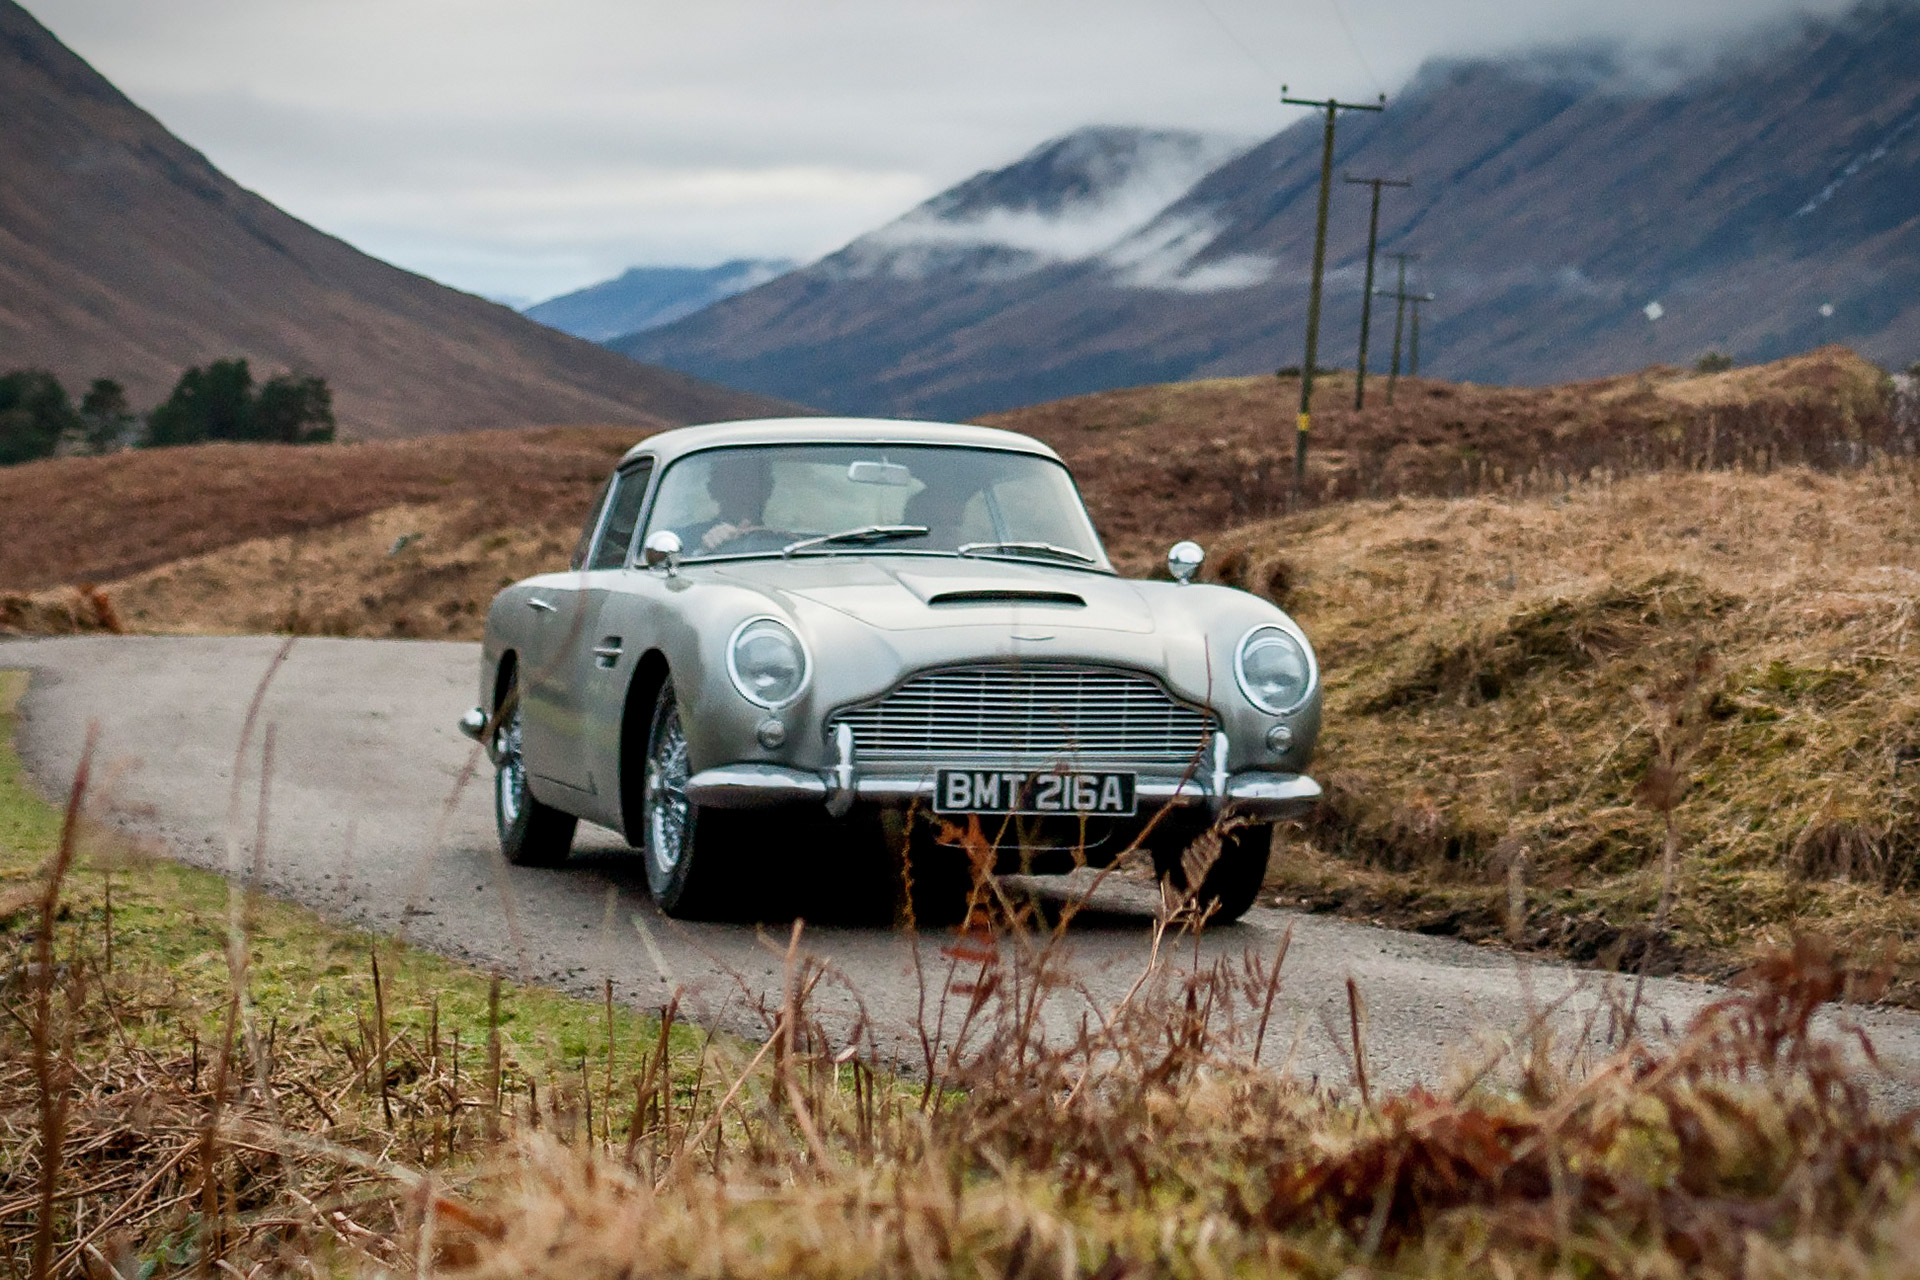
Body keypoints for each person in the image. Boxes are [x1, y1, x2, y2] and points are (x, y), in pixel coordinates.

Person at [689, 450, 775, 551]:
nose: (745, 491)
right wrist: (703, 550)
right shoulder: (686, 539)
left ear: (768, 489)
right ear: (713, 489)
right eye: (735, 481)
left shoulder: (789, 543)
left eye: (754, 482)